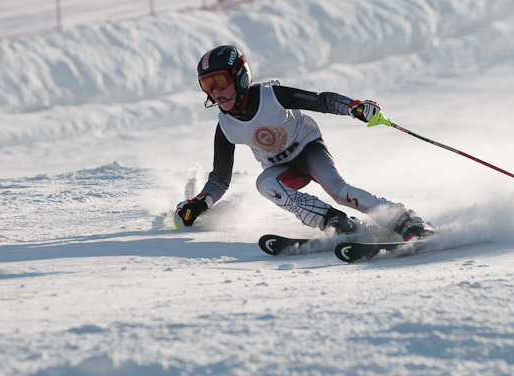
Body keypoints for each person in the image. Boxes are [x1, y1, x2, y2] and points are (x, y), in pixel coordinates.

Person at [175, 45, 432, 240]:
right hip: (284, 170)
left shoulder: (271, 96)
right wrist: (200, 202)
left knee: (339, 191)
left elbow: (320, 101)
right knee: (264, 183)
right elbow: (220, 178)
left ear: (240, 76)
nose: (215, 93)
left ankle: (405, 220)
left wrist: (354, 107)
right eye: (207, 86)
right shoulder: (226, 126)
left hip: (309, 151)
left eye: (218, 82)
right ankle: (334, 221)